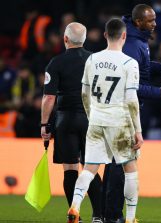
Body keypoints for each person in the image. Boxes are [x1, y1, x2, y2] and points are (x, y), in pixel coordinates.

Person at [102, 4, 161, 222]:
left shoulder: (136, 40)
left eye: (155, 19)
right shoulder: (132, 44)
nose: (155, 24)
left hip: (125, 110)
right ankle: (114, 216)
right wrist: (160, 92)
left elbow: (143, 67)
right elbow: (131, 85)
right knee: (120, 164)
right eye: (150, 20)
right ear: (138, 22)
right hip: (124, 111)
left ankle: (108, 213)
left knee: (113, 163)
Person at [66, 18, 143, 223]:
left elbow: (84, 92)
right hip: (120, 121)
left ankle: (74, 207)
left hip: (97, 119)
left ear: (105, 35)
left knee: (90, 168)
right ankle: (131, 218)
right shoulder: (129, 63)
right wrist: (138, 130)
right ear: (124, 36)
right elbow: (131, 100)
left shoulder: (92, 59)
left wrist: (92, 115)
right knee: (130, 169)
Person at [40, 22, 103, 223]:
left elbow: (49, 98)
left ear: (65, 39)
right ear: (84, 40)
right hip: (90, 119)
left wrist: (44, 125)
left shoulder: (56, 63)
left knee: (70, 169)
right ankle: (98, 216)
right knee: (91, 168)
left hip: (65, 120)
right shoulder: (95, 60)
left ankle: (75, 215)